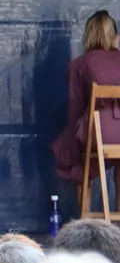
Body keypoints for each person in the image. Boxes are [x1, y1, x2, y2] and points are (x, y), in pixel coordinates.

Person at [50, 10, 120, 192]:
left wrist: (71, 148)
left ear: (87, 36)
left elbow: (75, 109)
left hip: (100, 134)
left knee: (77, 154)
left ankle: (84, 209)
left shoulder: (79, 65)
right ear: (115, 38)